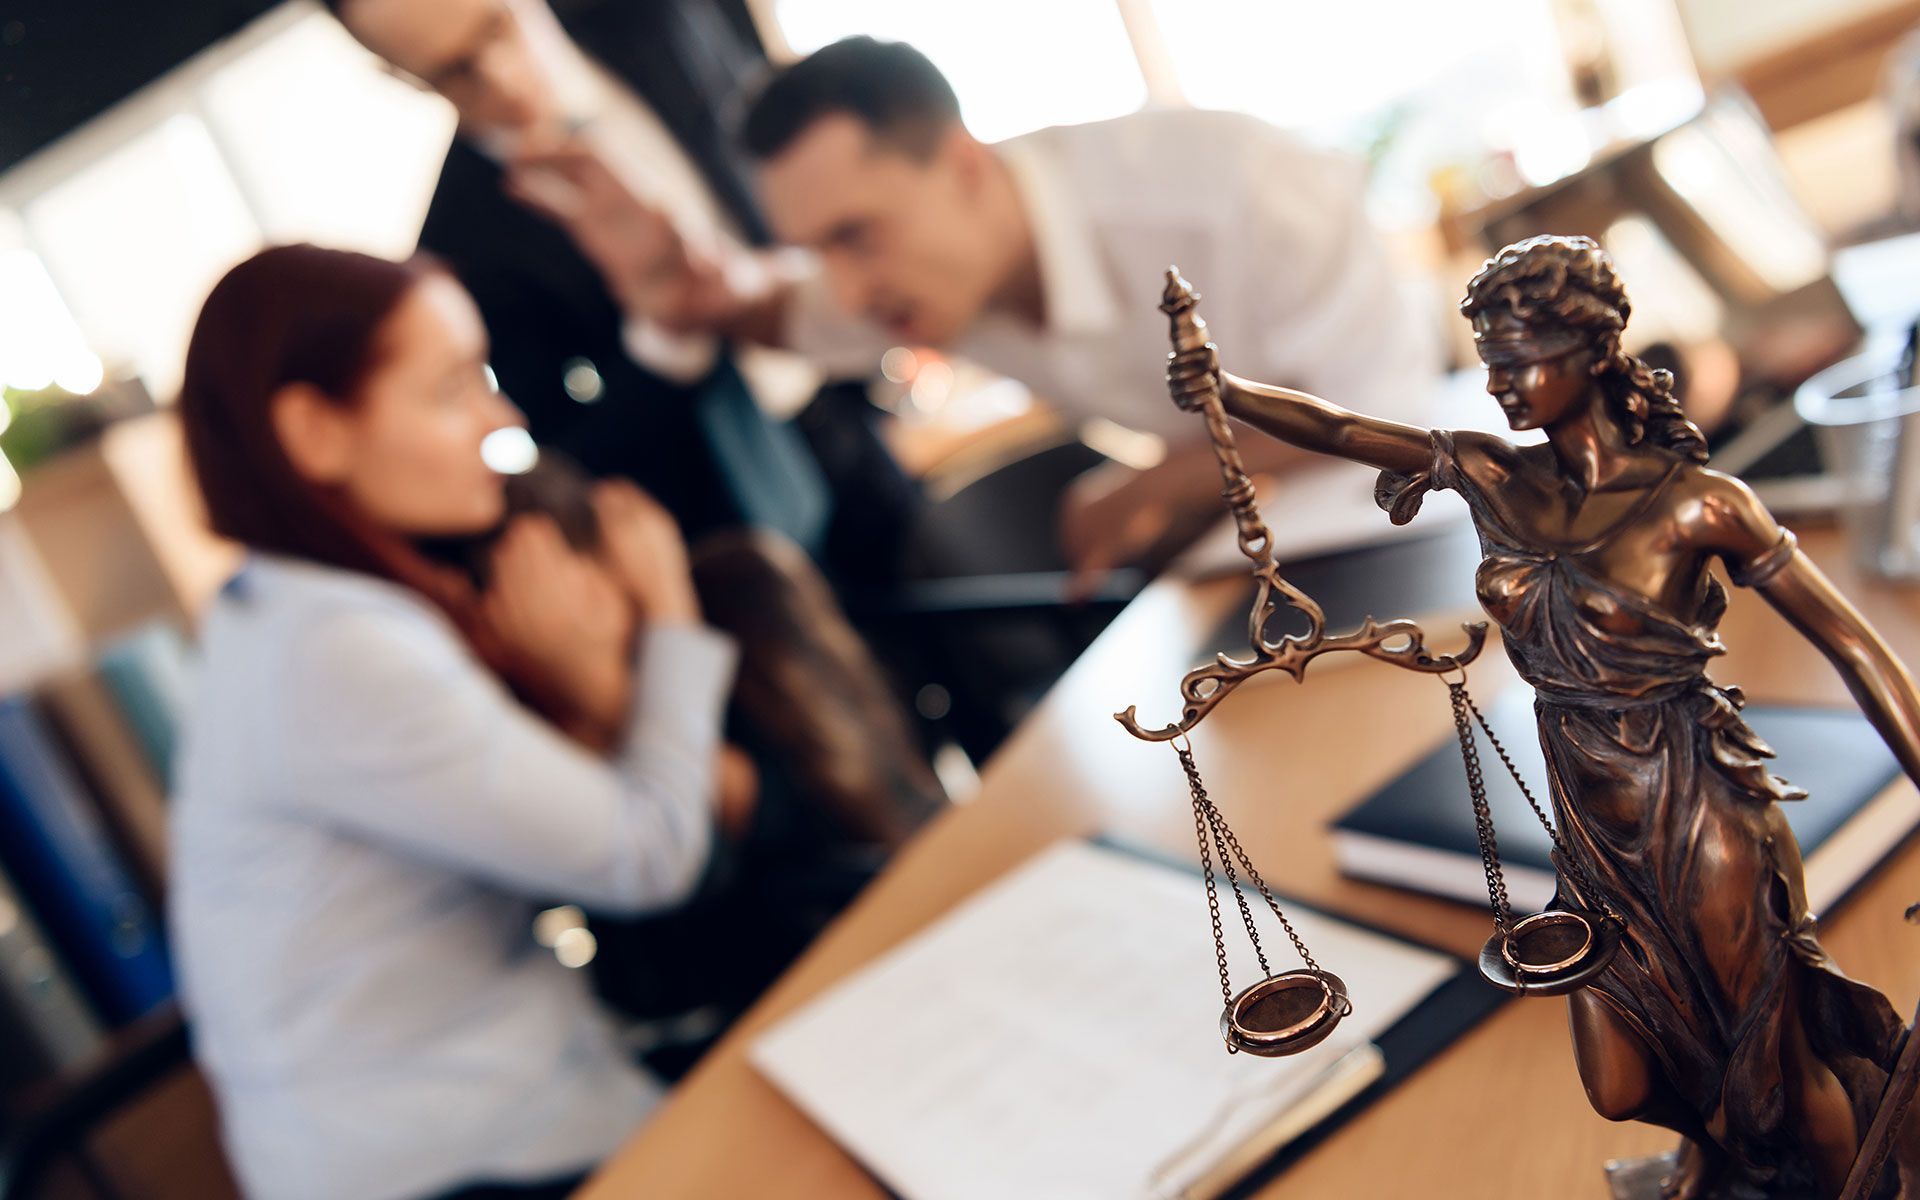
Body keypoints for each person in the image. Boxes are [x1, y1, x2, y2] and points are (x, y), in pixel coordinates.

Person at [1171, 234, 1916, 1199]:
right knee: (1621, 1075)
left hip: (1696, 803)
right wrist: (1225, 392)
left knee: (1772, 1052)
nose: (1502, 386)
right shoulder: (1493, 476)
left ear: (1594, 351)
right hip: (1589, 815)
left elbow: (1856, 648)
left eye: (1521, 360)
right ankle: (1714, 1156)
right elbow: (1347, 431)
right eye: (1489, 362)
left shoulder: (1699, 506)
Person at [171, 243, 742, 1200]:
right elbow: (648, 855)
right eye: (450, 391)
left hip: (478, 1109)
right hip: (458, 1164)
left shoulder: (294, 612)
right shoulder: (338, 654)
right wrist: (671, 615)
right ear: (316, 431)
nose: (501, 417)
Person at [505, 35, 1446, 593]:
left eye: (855, 236)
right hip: (1270, 574)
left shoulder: (1239, 189)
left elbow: (1388, 424)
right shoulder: (906, 269)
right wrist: (683, 288)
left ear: (963, 167)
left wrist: (1150, 483)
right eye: (819, 249)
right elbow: (779, 309)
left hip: (1431, 529)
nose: (849, 286)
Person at [321, 0, 916, 568]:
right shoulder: (459, 243)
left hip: (864, 395)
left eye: (497, 26)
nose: (500, 75)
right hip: (733, 513)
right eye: (454, 72)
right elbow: (573, 454)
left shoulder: (661, 23)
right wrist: (663, 336)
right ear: (399, 76)